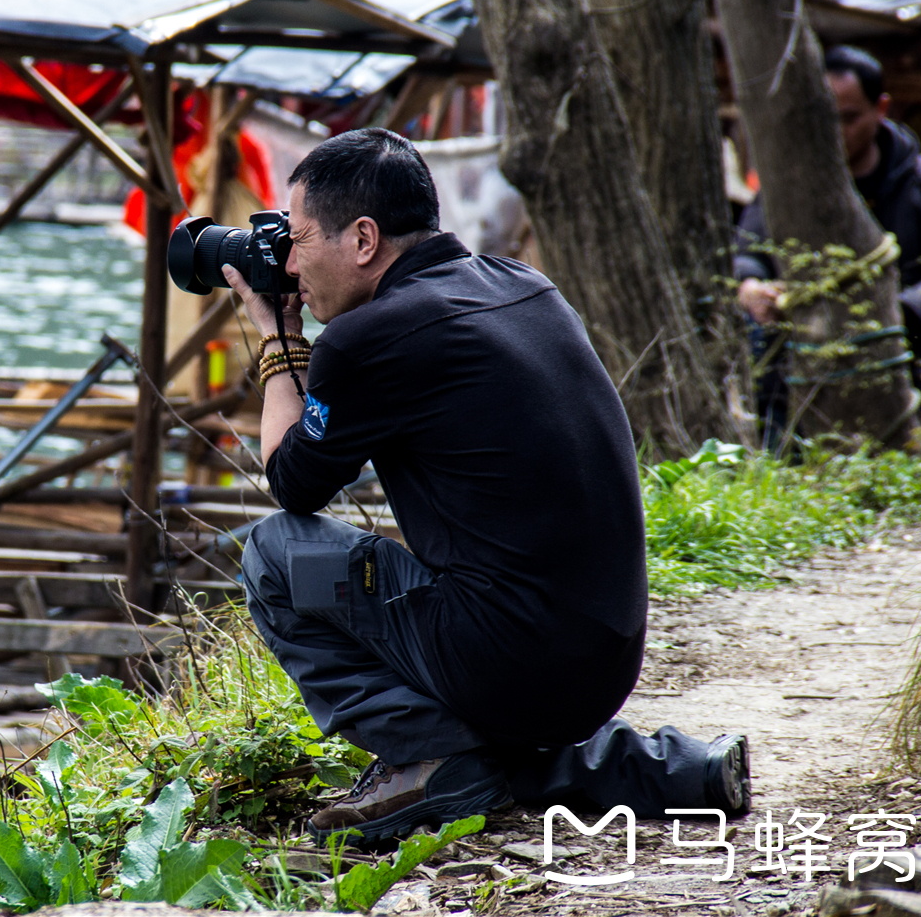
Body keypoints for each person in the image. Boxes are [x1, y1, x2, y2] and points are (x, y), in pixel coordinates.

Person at [221, 129, 750, 845]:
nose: (286, 260)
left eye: (301, 237)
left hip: (516, 662)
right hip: (604, 656)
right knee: (487, 664)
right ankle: (661, 769)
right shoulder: (526, 286)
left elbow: (292, 483)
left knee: (274, 553)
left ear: (365, 239)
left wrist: (280, 342)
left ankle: (427, 755)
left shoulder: (367, 338)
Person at [736, 45, 921, 425]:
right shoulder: (787, 184)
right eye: (824, 119)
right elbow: (750, 250)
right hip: (799, 377)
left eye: (849, 118)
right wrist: (751, 285)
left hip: (907, 369)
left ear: (881, 108)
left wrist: (905, 310)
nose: (837, 133)